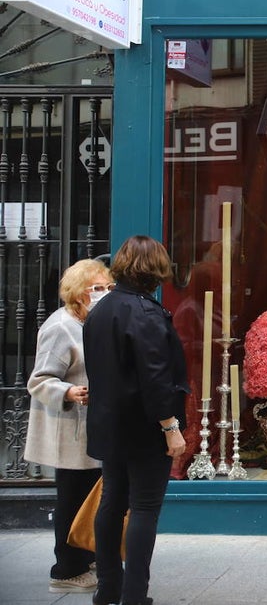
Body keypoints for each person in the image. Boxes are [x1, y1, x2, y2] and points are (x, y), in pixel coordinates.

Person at [84, 235, 189, 605]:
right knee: (144, 507)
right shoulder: (144, 313)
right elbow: (156, 378)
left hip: (109, 423)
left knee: (112, 501)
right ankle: (133, 595)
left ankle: (108, 587)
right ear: (155, 269)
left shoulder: (100, 309)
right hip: (145, 427)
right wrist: (170, 428)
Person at [25, 259, 113, 594]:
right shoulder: (59, 327)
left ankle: (82, 556)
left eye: (107, 288)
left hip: (89, 426)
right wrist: (69, 391)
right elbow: (39, 379)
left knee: (88, 493)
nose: (103, 294)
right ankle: (66, 569)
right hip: (68, 427)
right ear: (78, 294)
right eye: (97, 289)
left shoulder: (91, 322)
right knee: (72, 497)